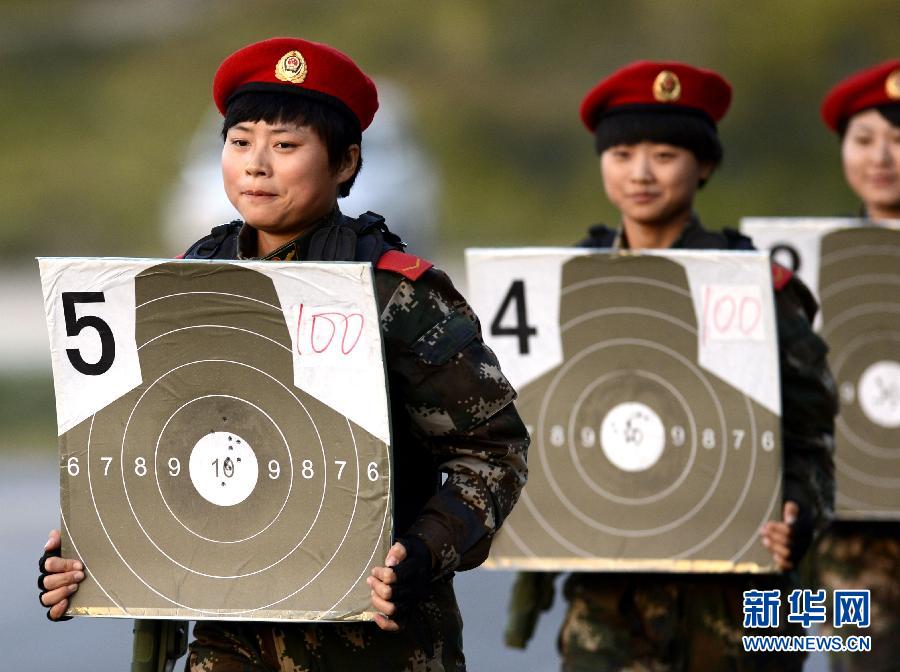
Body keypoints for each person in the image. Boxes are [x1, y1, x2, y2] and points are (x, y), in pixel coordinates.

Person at [37, 36, 529, 671]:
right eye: (240, 142)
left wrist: (421, 553)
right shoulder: (185, 283)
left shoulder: (396, 294)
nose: (256, 165)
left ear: (346, 163)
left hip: (381, 643)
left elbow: (492, 453)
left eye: (286, 146)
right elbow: (146, 447)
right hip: (230, 635)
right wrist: (91, 547)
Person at [505, 61, 837, 671]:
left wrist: (798, 510)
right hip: (609, 593)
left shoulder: (754, 283)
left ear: (704, 165)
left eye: (664, 155)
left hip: (738, 599)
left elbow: (812, 431)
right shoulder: (565, 282)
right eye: (623, 153)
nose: (640, 173)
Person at [814, 58, 900, 672]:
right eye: (865, 140)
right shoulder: (811, 269)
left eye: (898, 141)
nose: (882, 158)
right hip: (848, 531)